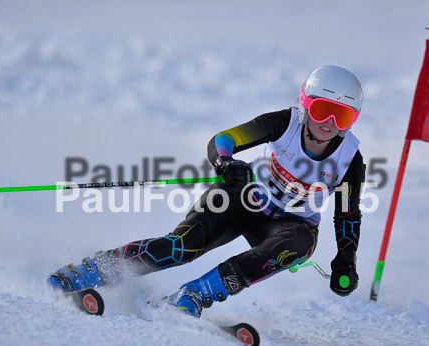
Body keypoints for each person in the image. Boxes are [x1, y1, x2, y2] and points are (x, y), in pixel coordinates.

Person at [49, 65, 366, 317]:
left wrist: (345, 259)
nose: (328, 123)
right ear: (305, 103)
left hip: (290, 226)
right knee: (181, 248)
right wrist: (226, 164)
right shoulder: (285, 123)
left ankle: (193, 296)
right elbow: (223, 140)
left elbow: (347, 215)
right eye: (322, 109)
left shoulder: (350, 160)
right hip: (245, 196)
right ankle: (88, 272)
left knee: (300, 243)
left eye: (341, 116)